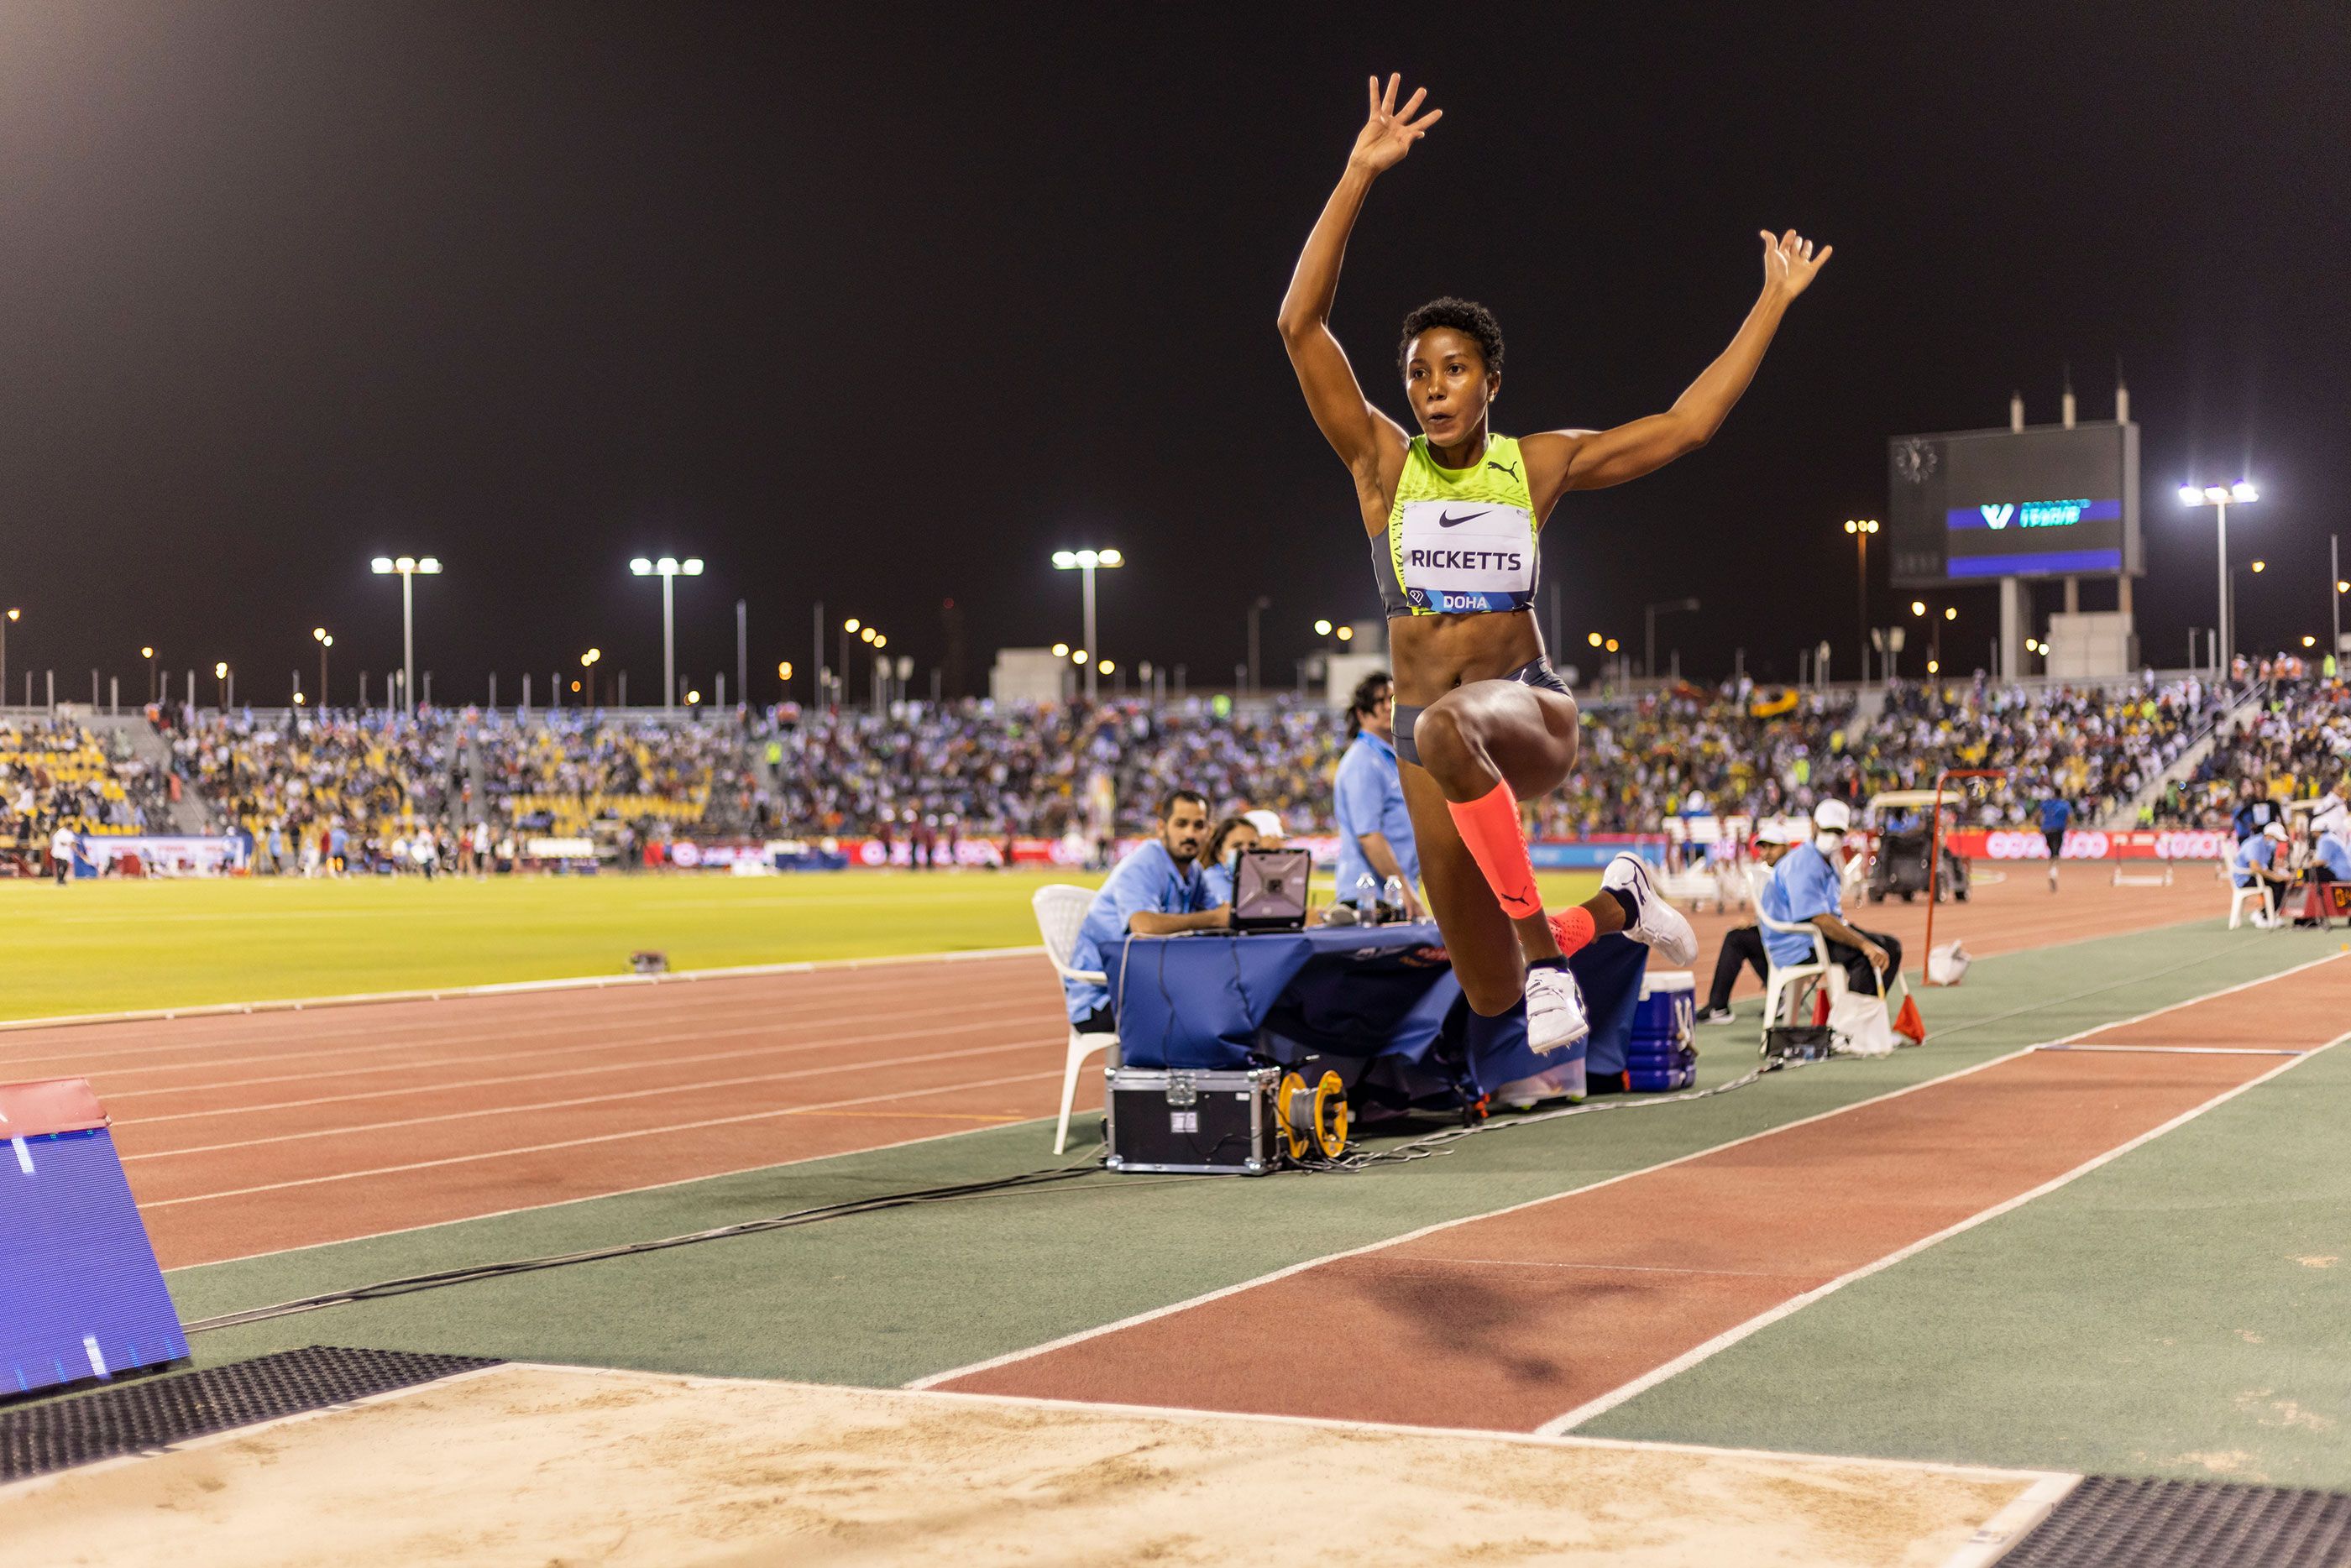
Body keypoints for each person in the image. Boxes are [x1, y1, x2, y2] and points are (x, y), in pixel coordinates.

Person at [1278, 76, 1814, 1048]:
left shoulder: (1534, 465)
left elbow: (1687, 426)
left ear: (1489, 381)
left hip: (1525, 709)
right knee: (1486, 991)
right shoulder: (1381, 465)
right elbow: (1298, 327)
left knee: (1450, 727)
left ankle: (1545, 959)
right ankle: (1615, 907)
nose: (1431, 388)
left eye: (1452, 369)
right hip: (1421, 742)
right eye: (1416, 373)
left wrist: (1772, 300)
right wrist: (1356, 173)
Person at [1063, 790, 1226, 1034]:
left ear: (1208, 832)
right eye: (1181, 824)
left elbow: (1222, 915)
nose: (1190, 833)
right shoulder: (1144, 864)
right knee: (1211, 1012)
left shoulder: (1193, 873)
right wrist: (1213, 919)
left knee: (1226, 999)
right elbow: (1143, 926)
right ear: (1162, 828)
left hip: (1147, 985)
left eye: (1198, 825)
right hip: (1103, 997)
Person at [1759, 800, 1901, 998]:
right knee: (1864, 956)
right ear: (1814, 826)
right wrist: (1864, 945)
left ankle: (1866, 1015)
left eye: (1837, 832)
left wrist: (1864, 942)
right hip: (1797, 944)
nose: (1832, 837)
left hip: (1815, 935)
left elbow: (1829, 917)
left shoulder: (1825, 860)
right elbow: (1819, 919)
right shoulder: (1803, 862)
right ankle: (1851, 1022)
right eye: (1827, 830)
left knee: (1891, 947)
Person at [1331, 672, 1423, 920]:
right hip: (1372, 896)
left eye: (1392, 699)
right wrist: (1402, 887)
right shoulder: (1364, 761)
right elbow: (1369, 836)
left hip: (1388, 892)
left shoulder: (1386, 758)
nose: (1387, 707)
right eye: (1379, 701)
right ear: (1362, 714)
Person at [1698, 823, 1795, 1024]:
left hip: (1795, 941)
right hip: (1782, 936)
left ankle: (1719, 1005)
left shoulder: (1792, 872)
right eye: (1763, 847)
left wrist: (1758, 923)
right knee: (1741, 937)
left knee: (1736, 939)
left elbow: (1795, 912)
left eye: (1772, 846)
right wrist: (1756, 922)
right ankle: (1781, 993)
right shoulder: (1776, 873)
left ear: (1787, 847)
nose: (1766, 852)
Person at [2232, 820, 2292, 928]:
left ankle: (2266, 914)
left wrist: (2280, 874)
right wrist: (2274, 877)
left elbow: (2265, 867)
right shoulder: (2255, 844)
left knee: (2281, 882)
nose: (2277, 842)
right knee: (2277, 884)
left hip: (2255, 876)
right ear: (2269, 835)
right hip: (2245, 878)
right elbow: (2254, 867)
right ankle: (2264, 916)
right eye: (2276, 839)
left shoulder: (2267, 846)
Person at [1197, 814, 1261, 908]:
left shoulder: (1258, 879)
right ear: (1219, 852)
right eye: (1237, 846)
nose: (1246, 852)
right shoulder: (1211, 881)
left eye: (1252, 845)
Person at [2037, 790, 2071, 891]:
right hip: (2058, 830)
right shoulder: (2065, 805)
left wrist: (2040, 825)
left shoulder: (2047, 803)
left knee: (2052, 851)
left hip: (2047, 830)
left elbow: (2037, 814)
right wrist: (2067, 826)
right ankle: (2053, 872)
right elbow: (2069, 818)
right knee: (2056, 853)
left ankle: (2052, 870)